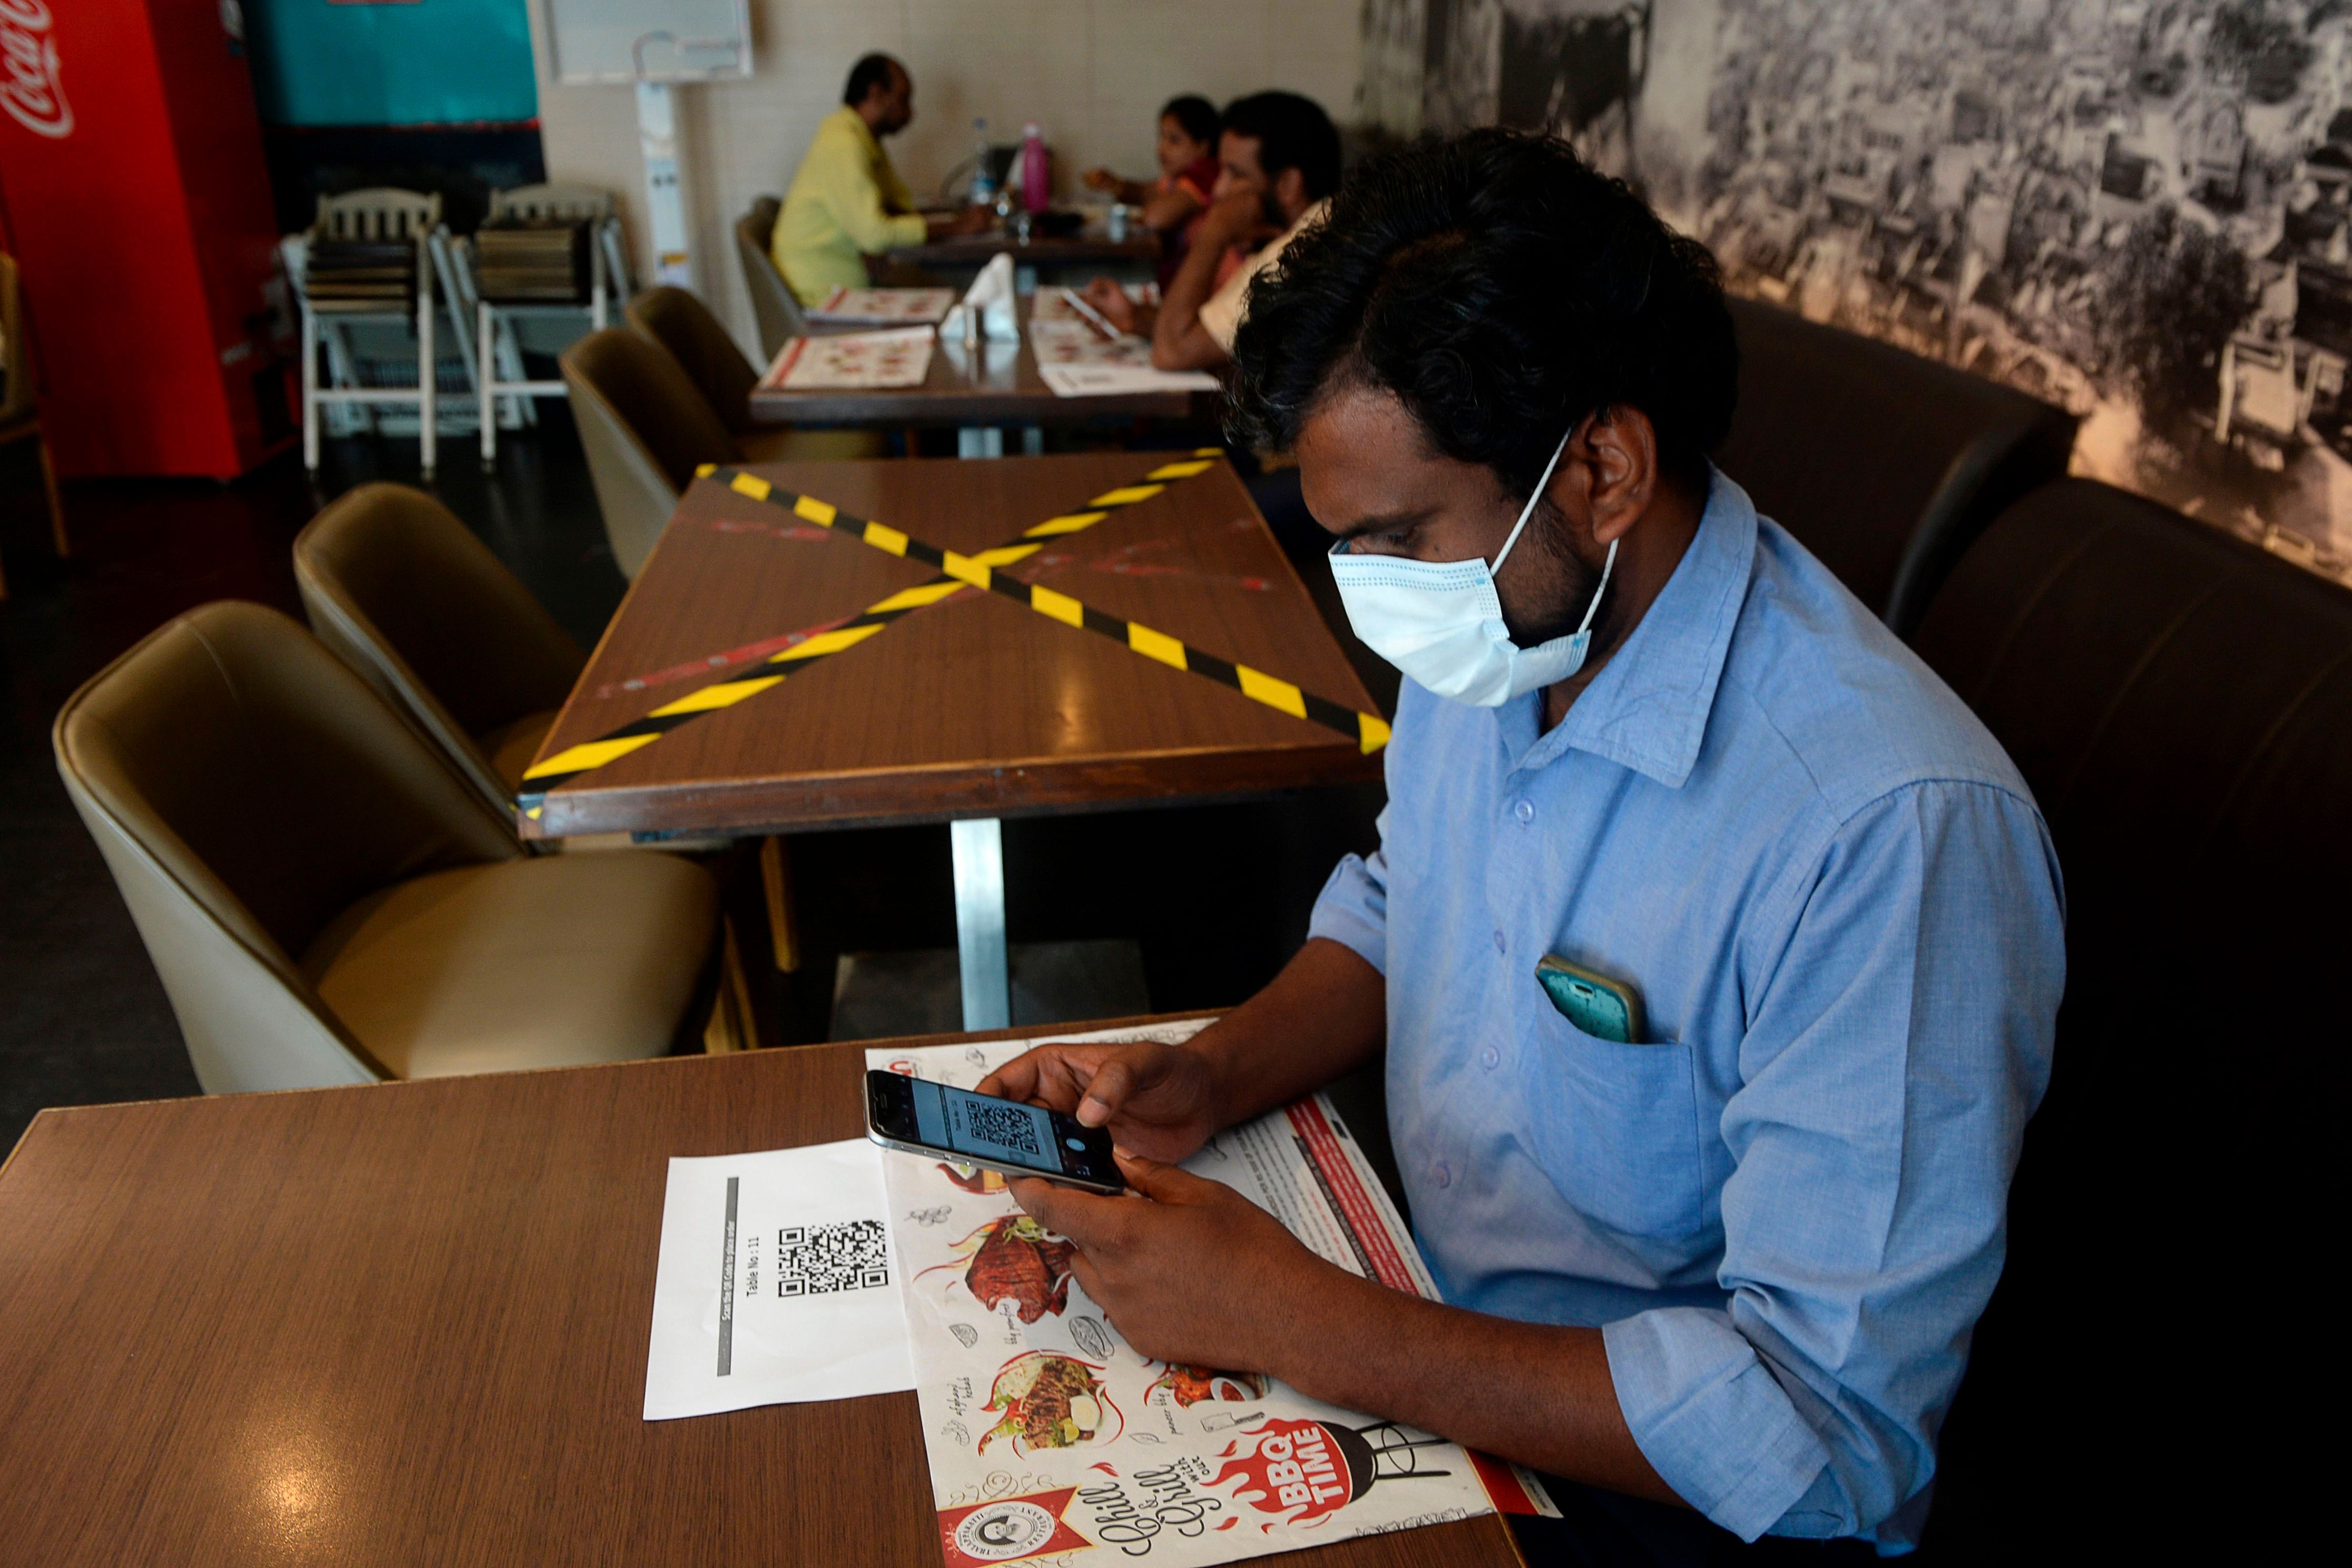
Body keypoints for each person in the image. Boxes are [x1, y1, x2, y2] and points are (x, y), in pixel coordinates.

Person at [981, 131, 2063, 1561]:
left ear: (1602, 469)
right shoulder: (1510, 624)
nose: (1377, 604)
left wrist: (1298, 1320)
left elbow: (1826, 1434)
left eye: (1401, 539)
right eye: (1346, 549)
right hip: (1411, 1316)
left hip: (1647, 1496)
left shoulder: (1885, 833)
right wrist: (1208, 1073)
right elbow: (1403, 903)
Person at [1076, 90, 1340, 372]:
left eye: (1237, 174)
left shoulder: (1298, 253)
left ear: (1288, 184)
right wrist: (1135, 318)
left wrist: (1215, 230)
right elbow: (1212, 332)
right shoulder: (1322, 224)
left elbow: (1172, 353)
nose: (1219, 190)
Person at [771, 53, 987, 306]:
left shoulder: (864, 139)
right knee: (954, 298)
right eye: (903, 99)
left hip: (847, 290)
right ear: (876, 94)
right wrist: (958, 227)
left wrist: (951, 215)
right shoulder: (843, 144)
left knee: (948, 294)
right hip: (822, 299)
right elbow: (875, 234)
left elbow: (896, 207)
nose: (911, 113)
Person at [1081, 94, 1221, 288]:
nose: (1162, 147)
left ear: (1203, 147)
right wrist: (1114, 184)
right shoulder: (1178, 177)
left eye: (1174, 140)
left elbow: (1156, 218)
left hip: (1203, 288)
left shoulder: (1205, 174)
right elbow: (1146, 193)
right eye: (1162, 137)